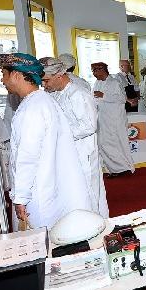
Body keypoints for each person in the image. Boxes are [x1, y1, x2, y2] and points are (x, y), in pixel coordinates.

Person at [0, 53, 90, 230]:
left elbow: (26, 158)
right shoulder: (44, 100)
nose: (2, 80)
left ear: (16, 75)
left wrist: (21, 198)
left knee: (40, 238)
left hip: (40, 191)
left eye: (4, 74)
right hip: (53, 185)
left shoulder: (31, 108)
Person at [41, 58, 108, 217]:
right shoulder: (56, 94)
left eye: (46, 80)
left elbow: (89, 126)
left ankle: (95, 225)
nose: (44, 85)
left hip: (83, 153)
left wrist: (58, 133)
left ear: (59, 76)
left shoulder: (78, 94)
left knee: (89, 194)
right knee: (75, 195)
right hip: (69, 153)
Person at [92, 62, 134, 176]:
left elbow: (122, 99)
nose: (93, 73)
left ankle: (123, 168)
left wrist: (104, 96)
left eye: (94, 70)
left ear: (102, 69)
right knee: (103, 143)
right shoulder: (97, 82)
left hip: (115, 120)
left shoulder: (114, 82)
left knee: (116, 143)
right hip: (103, 119)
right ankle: (114, 168)